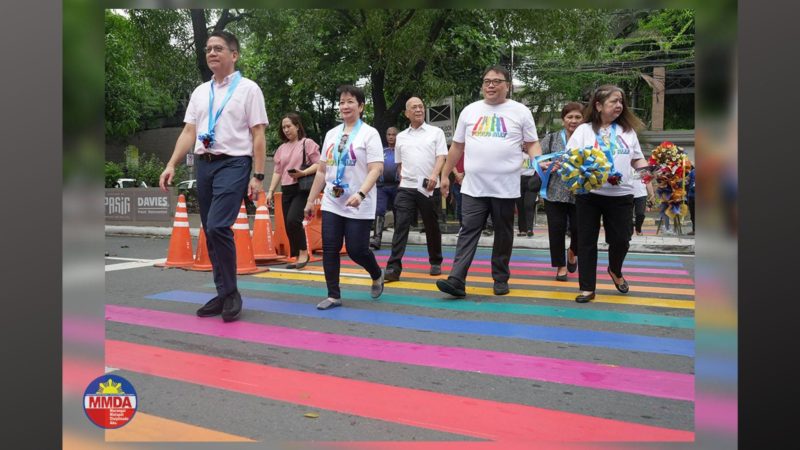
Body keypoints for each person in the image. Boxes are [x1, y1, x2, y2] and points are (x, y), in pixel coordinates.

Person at [159, 31, 268, 323]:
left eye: (219, 48)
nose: (212, 53)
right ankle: (223, 293)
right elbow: (189, 132)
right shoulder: (199, 92)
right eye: (208, 49)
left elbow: (258, 134)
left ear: (234, 55)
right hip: (204, 165)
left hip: (234, 163)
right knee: (210, 228)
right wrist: (171, 164)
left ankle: (231, 293)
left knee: (219, 225)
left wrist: (258, 174)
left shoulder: (248, 89)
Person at [436, 65, 541, 298]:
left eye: (496, 81)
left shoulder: (520, 111)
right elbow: (457, 146)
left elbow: (532, 143)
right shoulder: (470, 111)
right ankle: (457, 278)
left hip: (505, 187)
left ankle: (501, 277)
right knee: (468, 230)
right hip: (474, 186)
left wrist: (539, 162)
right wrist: (445, 174)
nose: (491, 85)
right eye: (486, 81)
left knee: (503, 233)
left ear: (508, 86)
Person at [303, 85, 385, 310]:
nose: (345, 106)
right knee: (330, 247)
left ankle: (377, 273)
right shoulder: (331, 134)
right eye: (341, 102)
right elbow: (322, 170)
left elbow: (376, 168)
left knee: (357, 250)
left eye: (350, 101)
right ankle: (333, 295)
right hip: (332, 200)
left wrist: (360, 193)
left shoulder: (370, 134)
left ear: (361, 106)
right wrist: (311, 200)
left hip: (360, 202)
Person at [565, 84, 648, 303]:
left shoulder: (627, 131)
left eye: (621, 101)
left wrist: (649, 171)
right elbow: (570, 158)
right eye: (614, 101)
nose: (619, 105)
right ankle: (587, 288)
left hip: (621, 195)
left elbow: (637, 158)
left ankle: (615, 269)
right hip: (588, 195)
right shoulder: (583, 130)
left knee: (622, 240)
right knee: (586, 241)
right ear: (599, 105)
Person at [384, 97, 448, 282]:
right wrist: (403, 179)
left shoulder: (436, 132)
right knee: (401, 224)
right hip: (406, 188)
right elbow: (399, 164)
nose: (419, 110)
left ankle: (435, 260)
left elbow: (441, 157)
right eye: (414, 107)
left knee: (431, 225)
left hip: (428, 187)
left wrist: (435, 176)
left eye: (421, 106)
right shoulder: (401, 137)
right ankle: (393, 267)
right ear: (406, 113)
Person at [265, 113, 320, 268]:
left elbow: (320, 164)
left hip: (301, 188)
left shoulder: (306, 143)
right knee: (288, 224)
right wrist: (270, 191)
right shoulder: (281, 148)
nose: (286, 130)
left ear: (297, 126)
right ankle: (297, 256)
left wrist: (303, 173)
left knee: (293, 220)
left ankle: (303, 253)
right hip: (286, 189)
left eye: (289, 126)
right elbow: (277, 171)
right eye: (284, 127)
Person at [538, 102, 583, 281]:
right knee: (556, 230)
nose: (573, 121)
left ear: (584, 119)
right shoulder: (551, 138)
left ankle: (573, 251)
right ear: (563, 119)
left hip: (581, 192)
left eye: (578, 117)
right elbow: (538, 162)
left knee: (579, 228)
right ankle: (560, 266)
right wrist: (545, 165)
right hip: (554, 192)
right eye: (569, 117)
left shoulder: (589, 138)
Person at [370, 127, 400, 250]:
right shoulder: (382, 151)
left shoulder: (401, 151)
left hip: (397, 186)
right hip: (381, 187)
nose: (391, 136)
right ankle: (377, 239)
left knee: (398, 212)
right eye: (389, 134)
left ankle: (398, 240)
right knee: (379, 210)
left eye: (394, 134)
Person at [517, 152, 540, 237]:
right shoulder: (517, 153)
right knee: (520, 205)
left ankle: (529, 229)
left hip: (532, 181)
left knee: (529, 205)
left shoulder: (535, 154)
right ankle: (522, 229)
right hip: (519, 180)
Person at [687, 165, 695, 235]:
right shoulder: (692, 172)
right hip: (691, 196)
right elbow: (687, 180)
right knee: (692, 214)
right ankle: (694, 230)